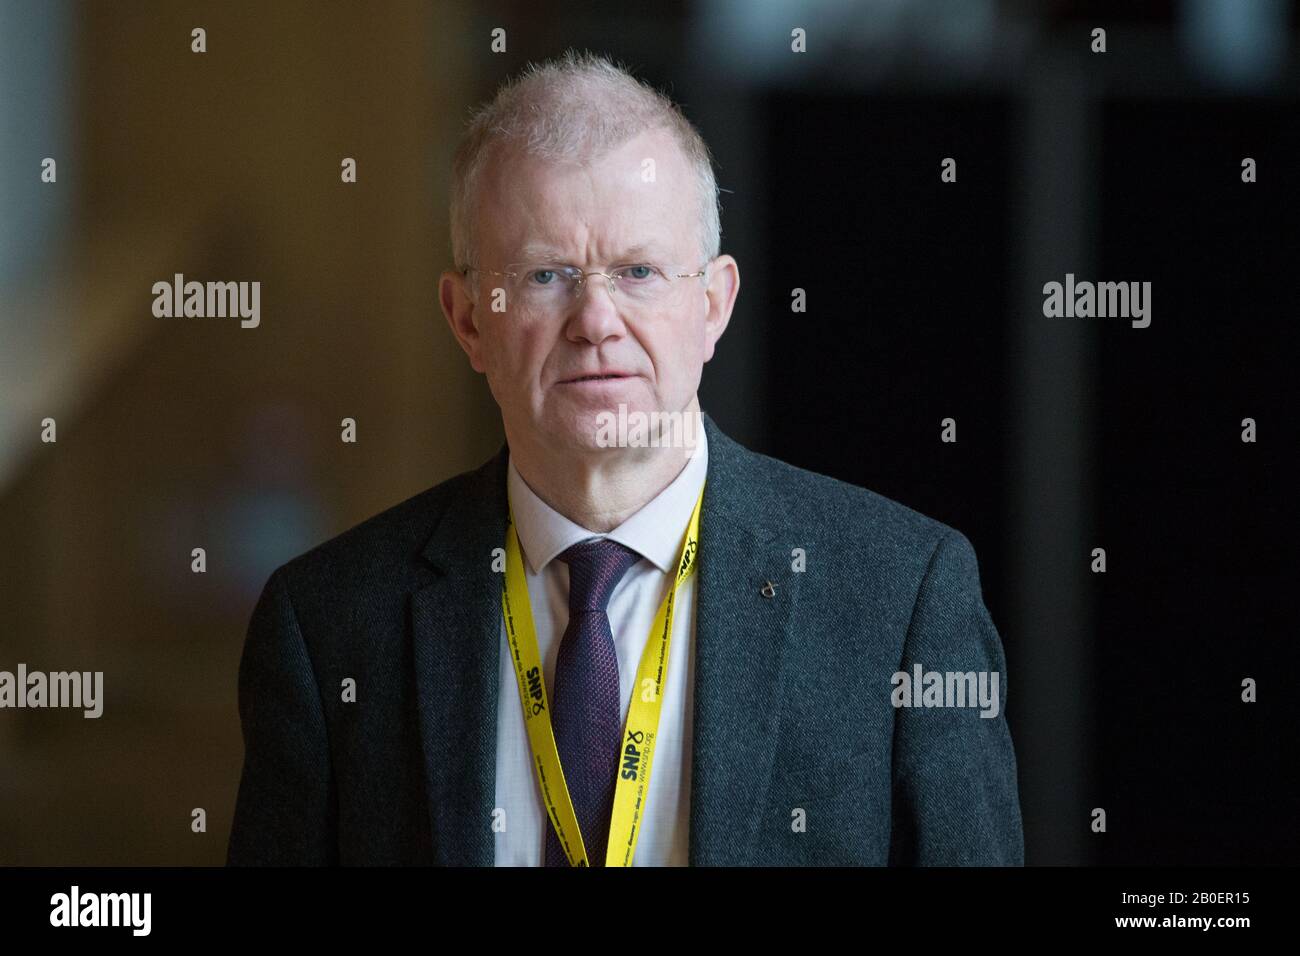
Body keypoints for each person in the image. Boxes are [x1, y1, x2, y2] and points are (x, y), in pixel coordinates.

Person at [227, 49, 1023, 867]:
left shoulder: (899, 601)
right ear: (467, 319)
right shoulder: (327, 628)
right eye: (546, 276)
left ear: (712, 304)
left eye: (638, 271)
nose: (596, 321)